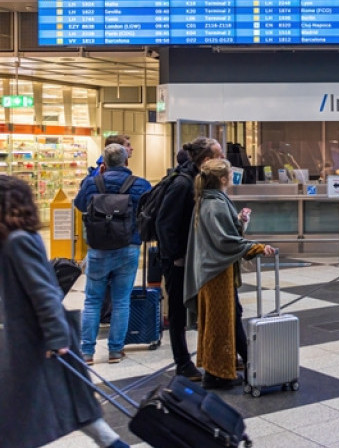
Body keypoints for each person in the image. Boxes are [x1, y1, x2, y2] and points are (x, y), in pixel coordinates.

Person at [1, 175, 131, 448]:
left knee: (67, 407)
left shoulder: (18, 242)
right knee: (74, 405)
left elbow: (43, 292)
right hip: (39, 338)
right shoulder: (18, 239)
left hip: (39, 340)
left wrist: (57, 337)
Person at [184, 158, 277, 390]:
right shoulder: (214, 204)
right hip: (215, 272)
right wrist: (254, 247)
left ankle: (221, 368)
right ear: (224, 179)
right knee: (219, 323)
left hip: (211, 269)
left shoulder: (209, 200)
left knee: (225, 317)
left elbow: (222, 232)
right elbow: (224, 240)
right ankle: (218, 373)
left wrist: (238, 221)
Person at [74, 142, 151, 364]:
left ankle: (87, 352)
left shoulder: (91, 183)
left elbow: (79, 205)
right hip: (128, 247)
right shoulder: (140, 185)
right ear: (126, 161)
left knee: (92, 301)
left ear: (104, 163)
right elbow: (150, 210)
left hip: (98, 249)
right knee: (121, 301)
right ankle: (115, 351)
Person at [155, 137, 224, 381]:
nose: (224, 159)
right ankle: (182, 362)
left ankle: (216, 356)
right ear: (207, 160)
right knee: (176, 311)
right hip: (177, 260)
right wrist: (175, 257)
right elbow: (165, 223)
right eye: (219, 155)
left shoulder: (199, 180)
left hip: (192, 256)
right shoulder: (183, 184)